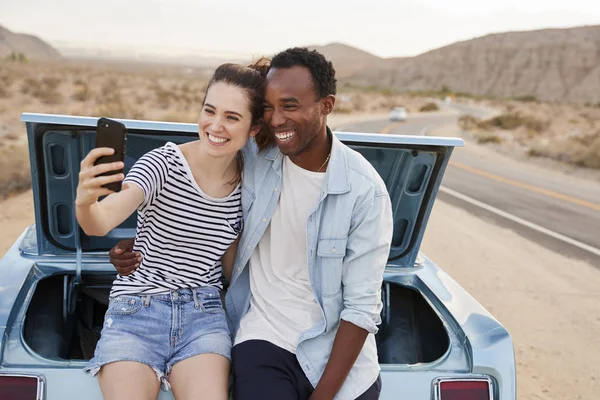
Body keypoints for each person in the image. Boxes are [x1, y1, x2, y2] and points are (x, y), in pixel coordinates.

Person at [111, 48, 393, 400]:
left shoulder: (365, 191)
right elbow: (193, 181)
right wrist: (135, 246)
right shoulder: (254, 155)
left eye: (290, 106)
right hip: (264, 336)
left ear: (326, 106)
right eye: (268, 108)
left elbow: (362, 309)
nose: (276, 120)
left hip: (339, 356)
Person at [76, 60, 269, 400]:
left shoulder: (251, 184)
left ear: (253, 128)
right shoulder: (161, 164)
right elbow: (101, 221)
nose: (215, 125)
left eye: (232, 117)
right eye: (210, 111)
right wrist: (85, 202)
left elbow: (231, 265)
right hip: (136, 310)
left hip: (204, 316)